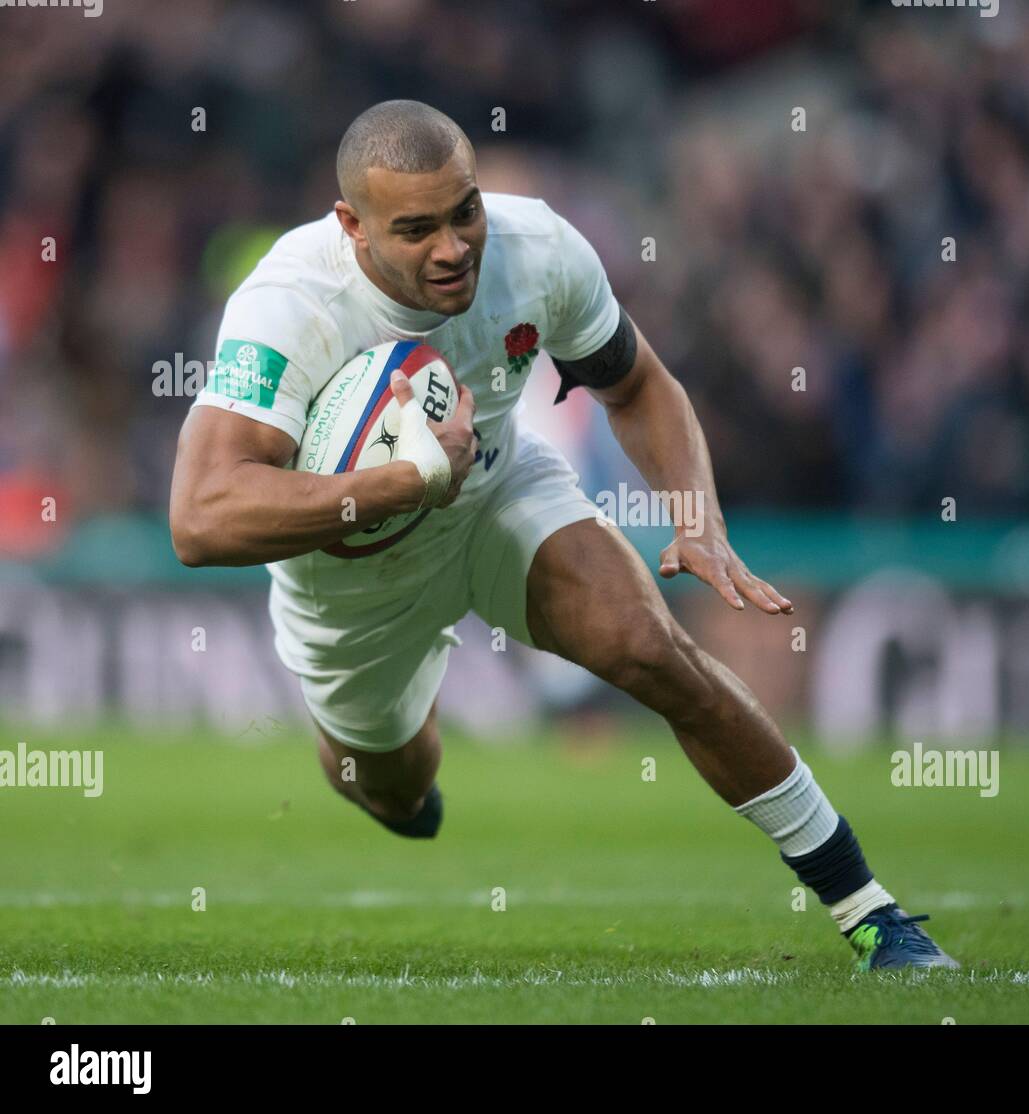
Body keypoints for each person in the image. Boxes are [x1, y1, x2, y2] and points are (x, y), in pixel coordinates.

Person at [168, 100, 957, 972]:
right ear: (352, 225)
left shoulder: (538, 249)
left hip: (498, 494)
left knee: (650, 647)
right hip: (351, 577)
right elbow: (200, 518)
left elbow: (638, 385)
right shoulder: (287, 304)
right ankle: (377, 742)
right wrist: (403, 482)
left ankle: (870, 912)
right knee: (395, 792)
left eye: (464, 211)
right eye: (416, 229)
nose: (453, 248)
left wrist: (695, 517)